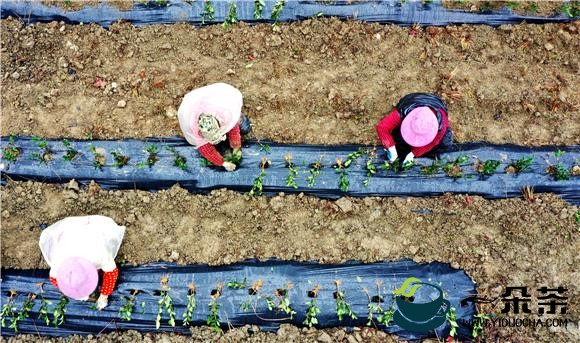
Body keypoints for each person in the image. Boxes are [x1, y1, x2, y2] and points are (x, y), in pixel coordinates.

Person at [39, 215, 125, 310]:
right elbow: (54, 279)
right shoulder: (58, 261)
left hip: (93, 228)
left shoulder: (98, 254)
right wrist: (77, 294)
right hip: (68, 232)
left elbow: (111, 273)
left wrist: (104, 295)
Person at [178, 82, 251, 171]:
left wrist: (236, 146)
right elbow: (206, 149)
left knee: (244, 128)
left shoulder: (226, 113)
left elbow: (233, 128)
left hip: (219, 99)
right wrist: (222, 163)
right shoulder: (191, 127)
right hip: (194, 106)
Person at [376, 93, 453, 165]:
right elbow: (382, 127)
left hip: (435, 103)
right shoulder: (405, 111)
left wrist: (413, 154)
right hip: (413, 100)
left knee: (446, 141)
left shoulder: (441, 123)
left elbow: (434, 142)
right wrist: (391, 147)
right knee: (398, 138)